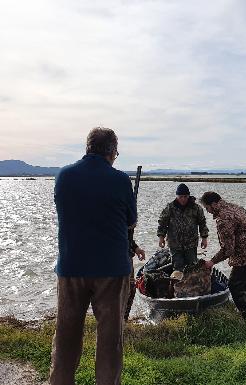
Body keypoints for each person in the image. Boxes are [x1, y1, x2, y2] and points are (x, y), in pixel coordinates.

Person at [50, 127, 136, 385]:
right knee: (110, 339)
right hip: (111, 269)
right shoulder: (121, 180)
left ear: (88, 147)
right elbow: (131, 221)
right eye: (116, 152)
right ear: (112, 151)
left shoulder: (64, 176)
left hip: (71, 266)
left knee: (66, 334)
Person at [200, 191, 246, 320]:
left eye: (207, 208)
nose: (208, 211)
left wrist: (212, 262)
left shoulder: (223, 219)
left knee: (234, 285)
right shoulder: (236, 207)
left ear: (214, 204)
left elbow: (228, 249)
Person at [157, 183, 209, 273]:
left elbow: (202, 223)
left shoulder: (196, 208)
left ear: (188, 196)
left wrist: (204, 238)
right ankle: (177, 285)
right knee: (177, 269)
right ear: (177, 196)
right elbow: (162, 223)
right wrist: (161, 237)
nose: (183, 199)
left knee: (192, 268)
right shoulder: (170, 208)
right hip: (175, 244)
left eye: (185, 196)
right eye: (181, 196)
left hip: (191, 244)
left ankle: (191, 286)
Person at [124, 228, 145, 321]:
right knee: (118, 290)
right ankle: (115, 321)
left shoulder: (127, 216)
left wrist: (136, 248)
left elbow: (128, 238)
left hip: (127, 257)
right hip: (115, 258)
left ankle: (123, 319)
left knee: (131, 288)